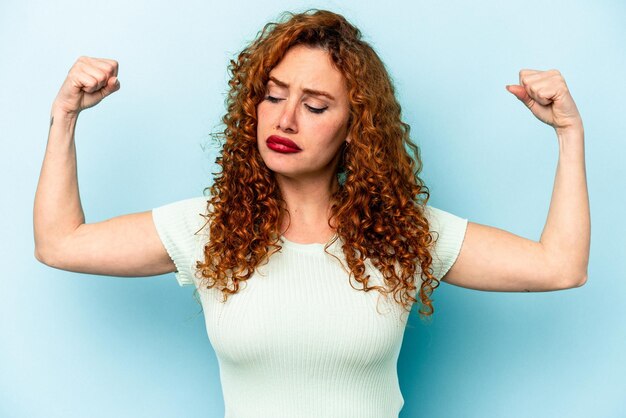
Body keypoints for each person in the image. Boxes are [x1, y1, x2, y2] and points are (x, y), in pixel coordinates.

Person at [33, 9, 590, 418]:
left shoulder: (403, 235)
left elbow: (560, 266)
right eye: (273, 96)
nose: (286, 119)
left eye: (316, 105)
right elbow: (59, 243)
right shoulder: (207, 227)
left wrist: (568, 133)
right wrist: (64, 117)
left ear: (356, 127)